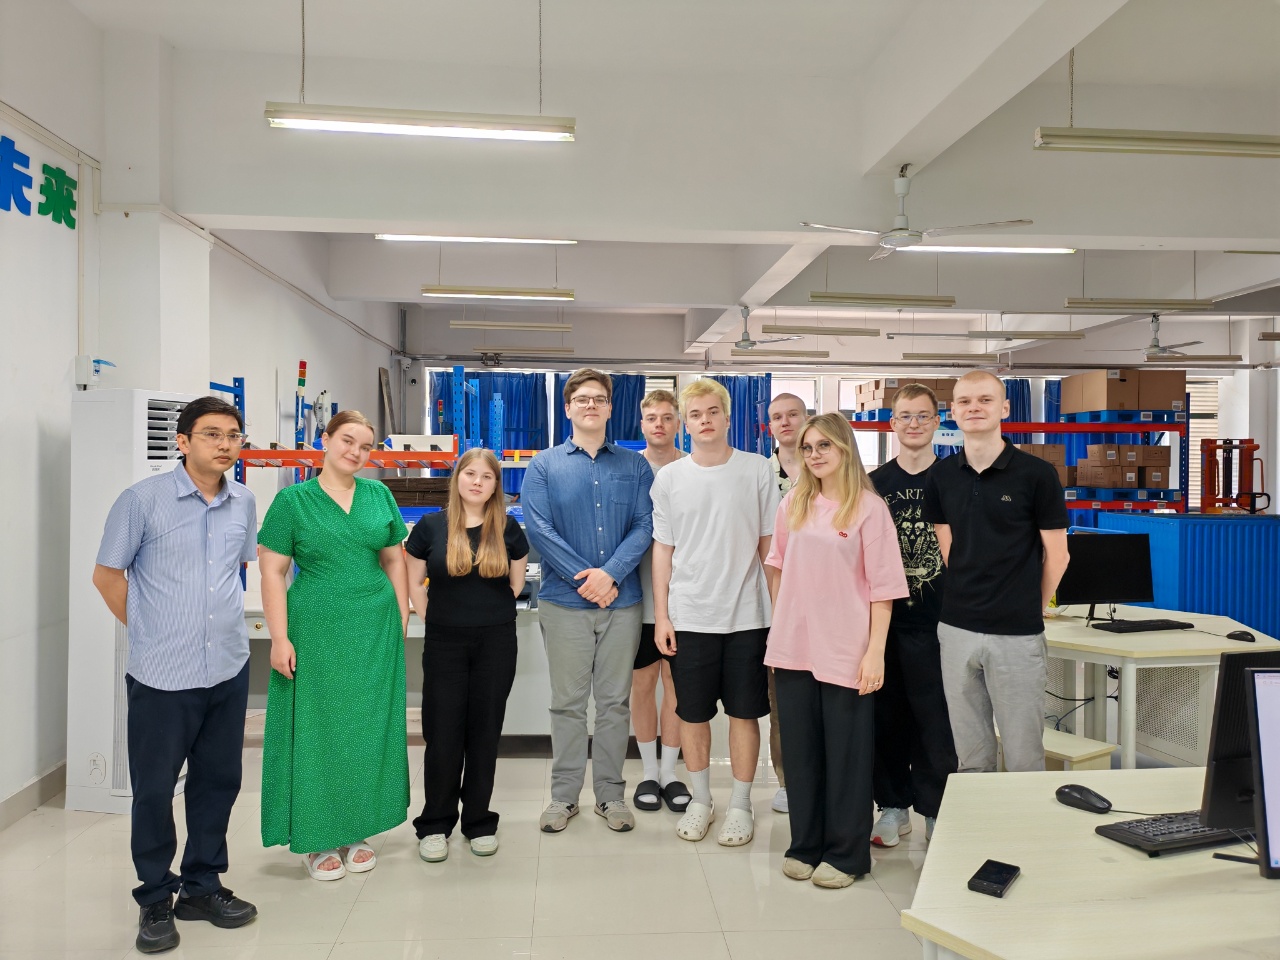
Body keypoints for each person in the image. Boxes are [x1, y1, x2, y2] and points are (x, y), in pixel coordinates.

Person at [92, 395, 259, 955]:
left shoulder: (244, 501)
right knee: (155, 789)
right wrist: (149, 632)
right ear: (183, 442)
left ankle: (202, 886)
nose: (225, 444)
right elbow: (107, 576)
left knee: (218, 782)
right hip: (163, 675)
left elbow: (233, 571)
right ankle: (155, 897)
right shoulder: (142, 501)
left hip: (227, 667)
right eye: (212, 434)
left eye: (233, 435)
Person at [257, 410, 411, 880]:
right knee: (318, 727)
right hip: (315, 629)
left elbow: (394, 560)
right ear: (325, 440)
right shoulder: (292, 502)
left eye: (365, 447)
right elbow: (272, 571)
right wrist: (279, 637)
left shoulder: (379, 495)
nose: (356, 452)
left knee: (366, 728)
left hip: (374, 628)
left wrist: (401, 615)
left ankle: (356, 828)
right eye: (347, 440)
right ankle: (317, 835)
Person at [764, 413, 908, 888]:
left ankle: (847, 855)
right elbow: (777, 567)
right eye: (807, 448)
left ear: (845, 448)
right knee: (801, 754)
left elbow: (884, 589)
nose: (814, 455)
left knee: (847, 756)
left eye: (824, 445)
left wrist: (875, 652)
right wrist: (784, 621)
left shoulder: (869, 508)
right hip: (793, 647)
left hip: (847, 648)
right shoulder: (794, 503)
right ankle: (805, 845)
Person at [522, 369, 654, 833]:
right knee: (568, 704)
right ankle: (563, 798)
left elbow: (644, 524)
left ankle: (610, 796)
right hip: (564, 604)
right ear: (568, 408)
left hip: (622, 603)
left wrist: (610, 574)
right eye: (582, 399)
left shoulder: (635, 466)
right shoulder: (544, 466)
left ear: (611, 407)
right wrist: (589, 581)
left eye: (599, 398)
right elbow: (539, 529)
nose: (591, 405)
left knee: (615, 704)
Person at [922, 372, 1070, 775]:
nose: (974, 407)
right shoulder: (941, 475)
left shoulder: (1037, 475)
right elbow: (949, 547)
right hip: (956, 629)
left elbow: (1058, 556)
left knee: (1023, 755)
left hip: (1016, 635)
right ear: (953, 412)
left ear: (1004, 408)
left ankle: (1024, 819)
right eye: (965, 401)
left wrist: (1031, 606)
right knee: (971, 757)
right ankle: (979, 817)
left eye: (985, 400)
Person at [651, 378, 779, 846]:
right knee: (693, 714)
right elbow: (663, 551)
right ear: (685, 425)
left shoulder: (757, 470)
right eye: (695, 415)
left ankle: (741, 805)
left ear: (727, 417)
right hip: (690, 616)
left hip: (748, 616)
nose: (704, 420)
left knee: (746, 714)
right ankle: (701, 800)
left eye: (712, 412)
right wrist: (663, 616)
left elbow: (769, 546)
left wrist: (779, 614)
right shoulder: (670, 478)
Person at [405, 449, 529, 861]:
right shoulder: (431, 526)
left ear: (496, 486)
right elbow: (414, 581)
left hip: (496, 642)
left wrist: (486, 614)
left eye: (487, 477)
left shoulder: (507, 528)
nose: (477, 482)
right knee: (442, 734)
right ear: (457, 478)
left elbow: (515, 584)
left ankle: (478, 822)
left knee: (484, 732)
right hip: (445, 643)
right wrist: (434, 617)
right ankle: (435, 824)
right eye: (470, 473)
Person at [868, 384, 958, 847]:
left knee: (935, 720)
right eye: (905, 416)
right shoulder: (874, 484)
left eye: (923, 416)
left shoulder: (955, 479)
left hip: (940, 621)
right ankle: (892, 806)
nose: (914, 424)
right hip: (884, 624)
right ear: (892, 424)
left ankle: (936, 810)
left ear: (937, 423)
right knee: (886, 717)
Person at [631, 389, 689, 813]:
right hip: (638, 597)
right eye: (652, 418)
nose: (659, 425)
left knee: (677, 686)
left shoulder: (693, 467)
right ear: (642, 424)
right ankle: (648, 771)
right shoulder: (629, 469)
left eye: (667, 417)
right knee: (642, 684)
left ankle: (670, 772)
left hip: (684, 600)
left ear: (678, 423)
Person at [764, 392, 807, 815]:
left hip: (823, 602)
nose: (786, 422)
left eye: (793, 414)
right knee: (782, 701)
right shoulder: (760, 474)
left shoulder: (827, 469)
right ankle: (787, 780)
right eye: (777, 417)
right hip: (773, 601)